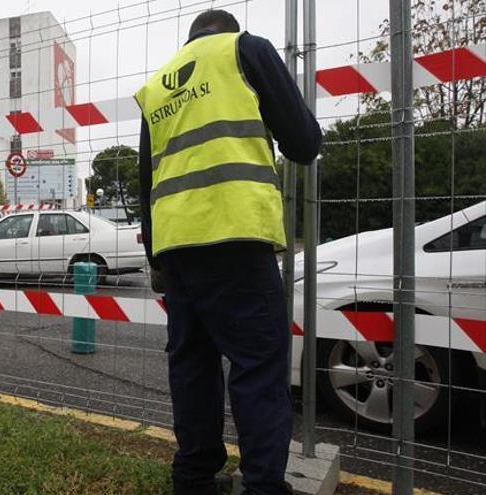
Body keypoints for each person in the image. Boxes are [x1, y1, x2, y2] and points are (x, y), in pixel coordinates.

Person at [135, 10, 322, 495]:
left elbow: (145, 182)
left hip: (177, 247)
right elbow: (303, 143)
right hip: (235, 233)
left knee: (192, 367)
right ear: (229, 30)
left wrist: (158, 256)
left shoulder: (156, 87)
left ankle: (194, 479)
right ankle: (261, 486)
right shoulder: (246, 50)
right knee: (259, 365)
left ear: (192, 38)